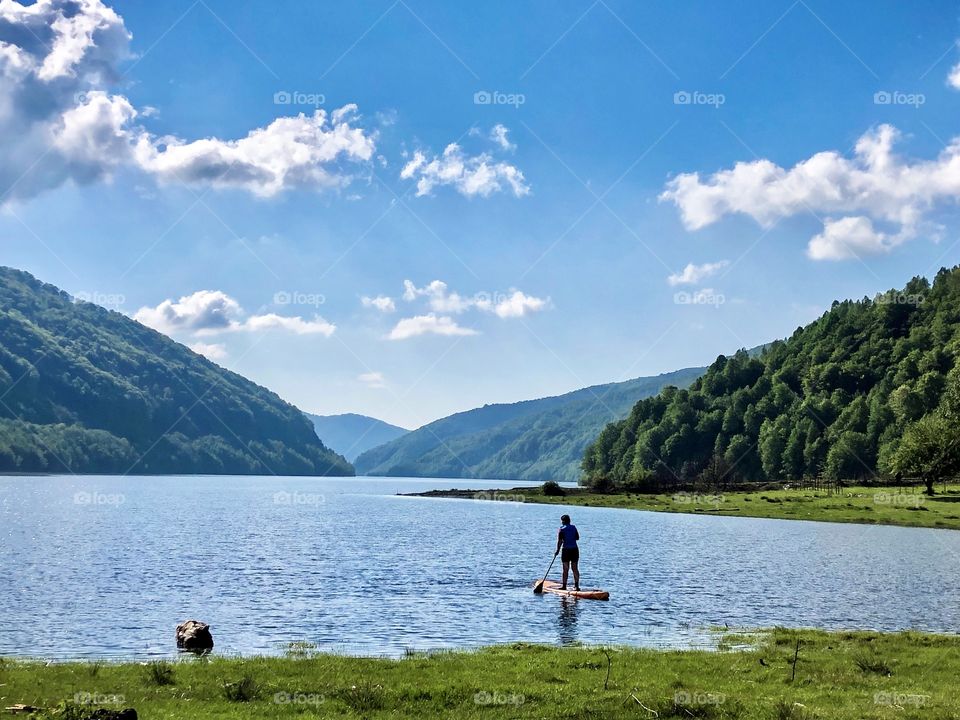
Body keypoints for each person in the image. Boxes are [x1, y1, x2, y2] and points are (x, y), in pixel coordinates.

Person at [554, 514, 580, 591]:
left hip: (566, 550)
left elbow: (560, 541)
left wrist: (557, 551)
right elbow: (577, 538)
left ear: (563, 521)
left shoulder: (561, 529)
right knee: (575, 568)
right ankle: (577, 586)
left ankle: (564, 586)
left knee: (565, 569)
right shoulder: (574, 527)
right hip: (575, 549)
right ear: (569, 521)